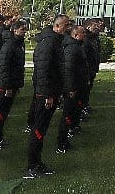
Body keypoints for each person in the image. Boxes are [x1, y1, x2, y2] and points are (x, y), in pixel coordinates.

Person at [24, 14, 68, 179]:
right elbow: (42, 71)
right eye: (66, 25)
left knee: (42, 129)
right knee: (38, 129)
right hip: (45, 94)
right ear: (57, 26)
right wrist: (47, 95)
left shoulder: (55, 42)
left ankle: (37, 162)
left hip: (51, 91)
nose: (68, 28)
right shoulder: (48, 43)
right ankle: (32, 166)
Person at [0, 20, 27, 150]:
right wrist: (7, 87)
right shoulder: (9, 45)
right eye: (22, 29)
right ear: (15, 30)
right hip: (6, 86)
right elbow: (4, 67)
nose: (25, 32)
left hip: (13, 83)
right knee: (1, 112)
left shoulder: (19, 44)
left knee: (4, 112)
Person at [57, 24, 88, 153]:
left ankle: (69, 132)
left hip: (78, 85)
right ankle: (62, 142)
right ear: (76, 35)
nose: (85, 35)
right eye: (82, 33)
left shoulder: (77, 47)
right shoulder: (71, 49)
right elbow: (69, 70)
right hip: (72, 88)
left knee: (74, 111)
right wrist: (70, 88)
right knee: (67, 114)